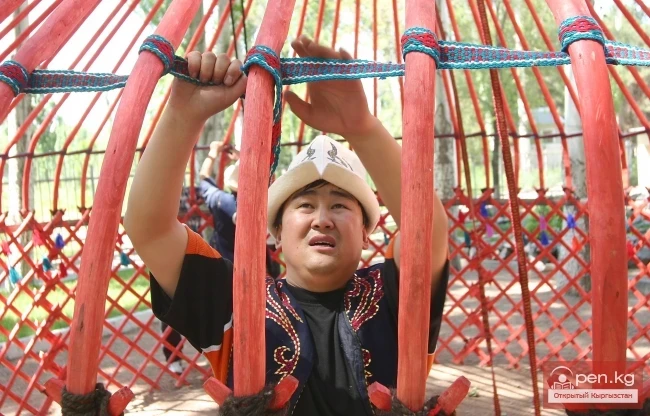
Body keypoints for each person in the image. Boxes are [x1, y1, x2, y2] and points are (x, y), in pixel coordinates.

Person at [125, 35, 449, 415]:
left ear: (366, 233)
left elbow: (426, 232)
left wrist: (361, 128)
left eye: (340, 205)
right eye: (306, 205)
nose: (322, 220)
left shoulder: (393, 295)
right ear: (276, 232)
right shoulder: (238, 303)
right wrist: (182, 117)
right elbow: (150, 230)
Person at [198, 141, 281, 277]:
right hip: (263, 272)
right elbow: (270, 177)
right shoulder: (269, 206)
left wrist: (213, 152)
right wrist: (244, 159)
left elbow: (203, 179)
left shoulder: (222, 201)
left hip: (227, 272)